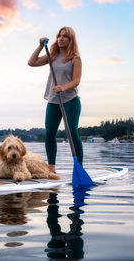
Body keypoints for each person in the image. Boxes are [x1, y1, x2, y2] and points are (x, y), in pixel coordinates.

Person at [28, 26, 83, 175]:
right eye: (59, 36)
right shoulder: (52, 56)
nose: (60, 38)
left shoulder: (75, 59)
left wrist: (63, 88)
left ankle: (79, 167)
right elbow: (31, 62)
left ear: (70, 40)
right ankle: (51, 168)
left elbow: (76, 81)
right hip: (53, 101)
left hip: (70, 100)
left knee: (71, 133)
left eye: (65, 36)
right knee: (50, 133)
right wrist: (40, 46)